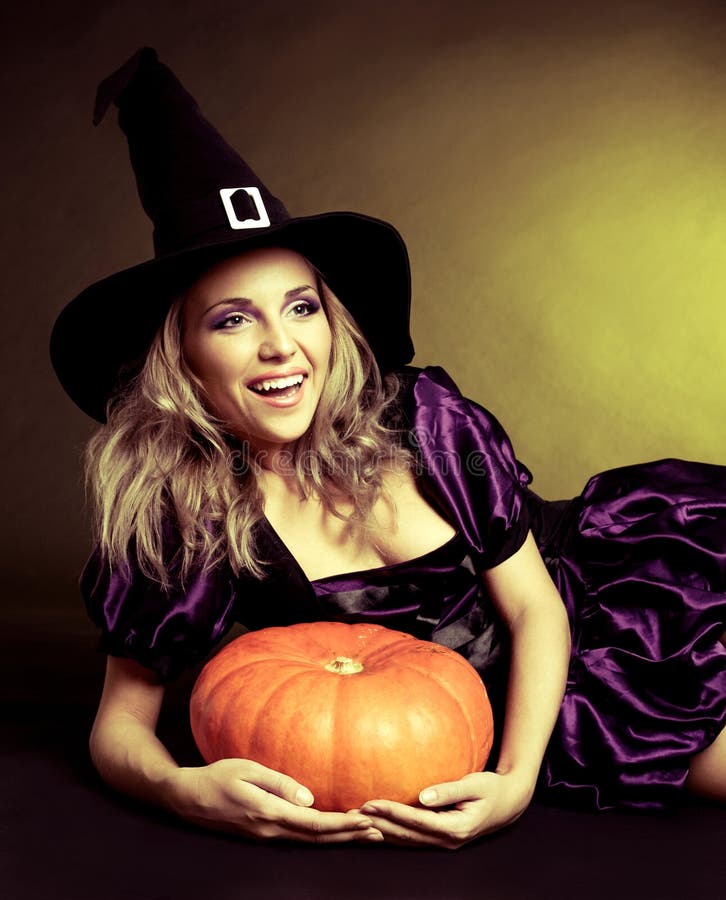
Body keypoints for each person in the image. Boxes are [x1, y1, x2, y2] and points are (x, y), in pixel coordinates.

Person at [50, 48, 726, 849]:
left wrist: (511, 789)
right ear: (182, 358)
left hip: (620, 598)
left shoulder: (428, 424)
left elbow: (536, 607)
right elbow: (119, 729)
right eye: (233, 320)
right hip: (539, 704)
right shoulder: (178, 522)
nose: (281, 346)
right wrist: (180, 789)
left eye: (300, 308)